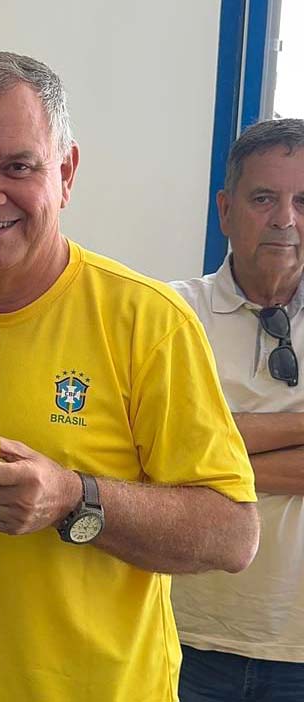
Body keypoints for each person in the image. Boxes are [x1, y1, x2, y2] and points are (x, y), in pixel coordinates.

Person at [0, 51, 260, 702]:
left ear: (65, 173)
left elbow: (234, 534)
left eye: (18, 166)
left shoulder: (148, 321)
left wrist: (74, 498)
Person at [171, 118, 304, 702]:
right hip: (184, 636)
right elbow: (152, 454)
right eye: (264, 198)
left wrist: (205, 463)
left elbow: (183, 456)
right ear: (225, 211)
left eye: (303, 201)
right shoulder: (169, 314)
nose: (285, 220)